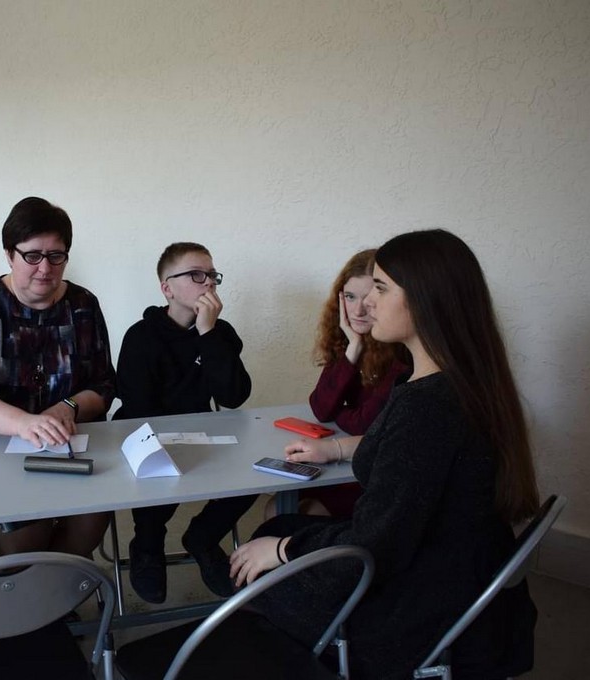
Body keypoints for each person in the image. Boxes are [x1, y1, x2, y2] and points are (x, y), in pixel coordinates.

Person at [229, 230, 540, 680]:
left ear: (425, 300)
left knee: (257, 566)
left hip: (416, 606)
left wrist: (281, 552)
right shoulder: (468, 382)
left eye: (380, 288)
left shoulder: (426, 407)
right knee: (278, 527)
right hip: (454, 573)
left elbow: (376, 545)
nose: (367, 304)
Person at [0, 196, 115, 558]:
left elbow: (103, 384)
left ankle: (56, 587)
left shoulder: (83, 305)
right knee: (30, 526)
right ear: (9, 255)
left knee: (93, 516)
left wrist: (68, 407)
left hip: (65, 442)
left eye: (56, 256)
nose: (45, 268)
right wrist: (25, 423)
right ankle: (23, 588)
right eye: (32, 256)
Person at [114, 242, 253, 603]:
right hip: (148, 432)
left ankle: (203, 536)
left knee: (258, 471)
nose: (209, 283)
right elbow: (139, 408)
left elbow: (234, 396)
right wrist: (179, 442)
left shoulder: (220, 333)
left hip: (202, 431)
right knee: (160, 472)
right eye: (196, 275)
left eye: (212, 275)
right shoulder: (141, 336)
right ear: (167, 288)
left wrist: (208, 334)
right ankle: (148, 544)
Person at [267, 249, 408, 519]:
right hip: (343, 461)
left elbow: (364, 425)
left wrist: (340, 413)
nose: (358, 310)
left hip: (372, 473)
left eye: (369, 298)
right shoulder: (351, 342)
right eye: (350, 297)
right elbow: (321, 407)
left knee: (296, 512)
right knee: (276, 507)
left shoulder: (400, 353)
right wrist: (352, 350)